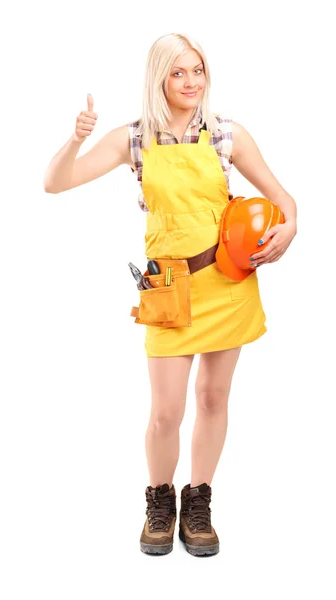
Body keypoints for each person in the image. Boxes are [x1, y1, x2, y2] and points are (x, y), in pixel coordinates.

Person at [44, 32, 297, 557]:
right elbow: (55, 183)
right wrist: (75, 140)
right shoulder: (134, 139)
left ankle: (198, 500)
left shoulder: (228, 134)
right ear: (159, 76)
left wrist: (288, 229)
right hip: (167, 287)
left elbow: (284, 200)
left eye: (197, 70)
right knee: (165, 412)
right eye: (178, 72)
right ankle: (159, 502)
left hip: (228, 283)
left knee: (213, 398)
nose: (190, 82)